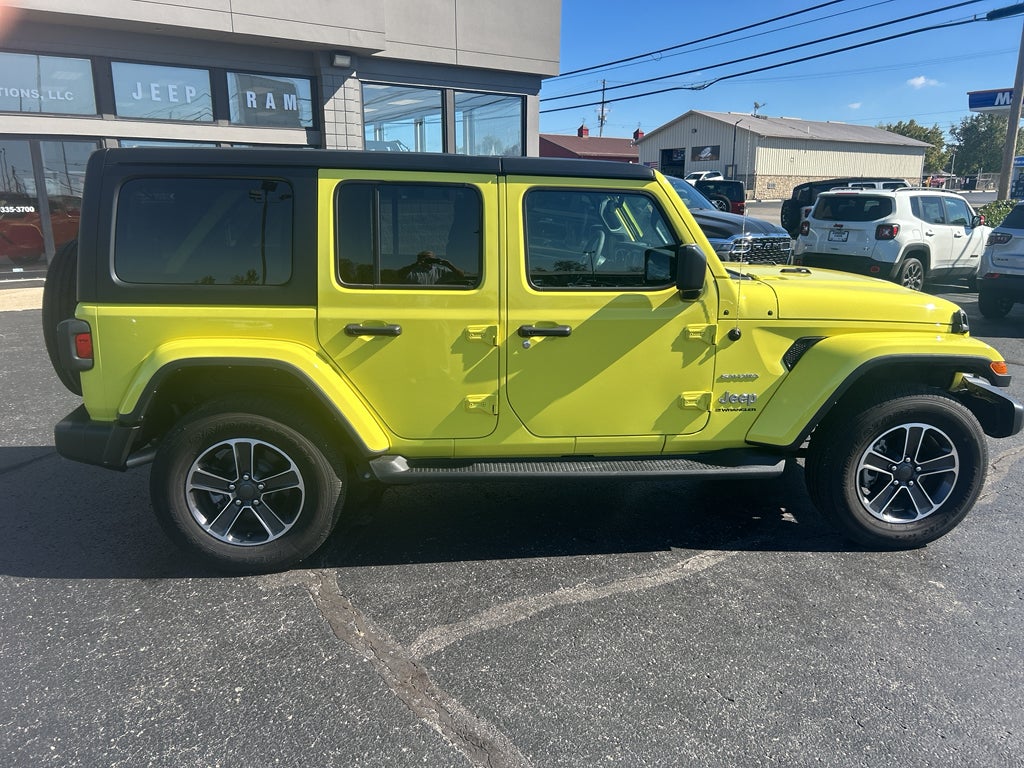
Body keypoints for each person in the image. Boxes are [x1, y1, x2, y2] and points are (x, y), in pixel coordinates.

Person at [398, 250, 464, 285]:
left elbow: (461, 276)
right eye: (426, 259)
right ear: (419, 259)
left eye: (431, 259)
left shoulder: (441, 271)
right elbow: (399, 275)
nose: (429, 261)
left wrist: (449, 265)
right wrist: (416, 264)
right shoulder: (412, 271)